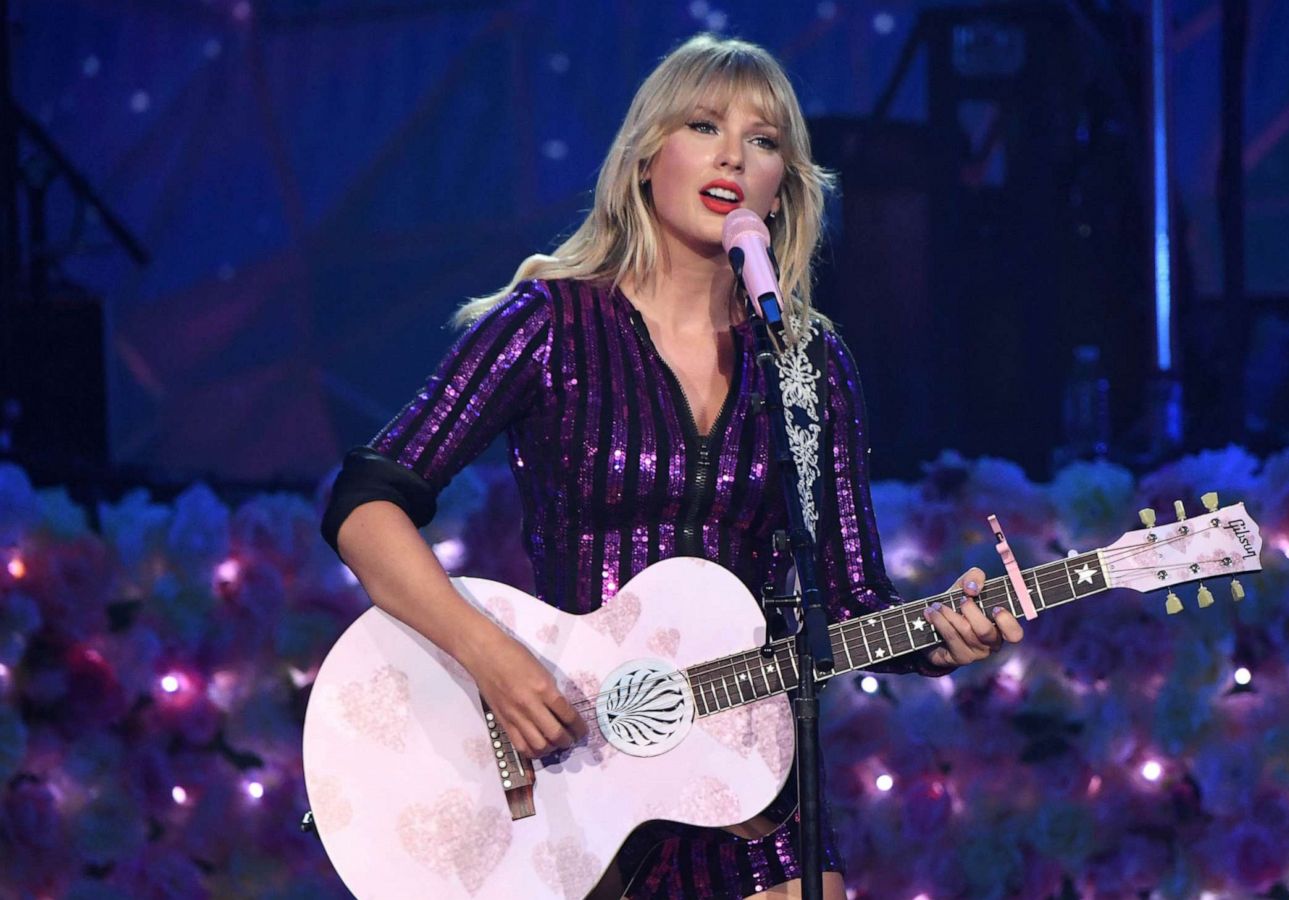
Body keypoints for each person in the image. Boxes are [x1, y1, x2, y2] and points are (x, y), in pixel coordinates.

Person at [320, 33, 1024, 900]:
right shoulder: (549, 327)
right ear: (648, 156)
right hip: (572, 768)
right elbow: (364, 502)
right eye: (703, 125)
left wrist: (943, 639)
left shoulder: (807, 361)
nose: (733, 154)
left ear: (782, 188)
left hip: (751, 780)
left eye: (763, 141)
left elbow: (848, 600)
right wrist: (492, 660)